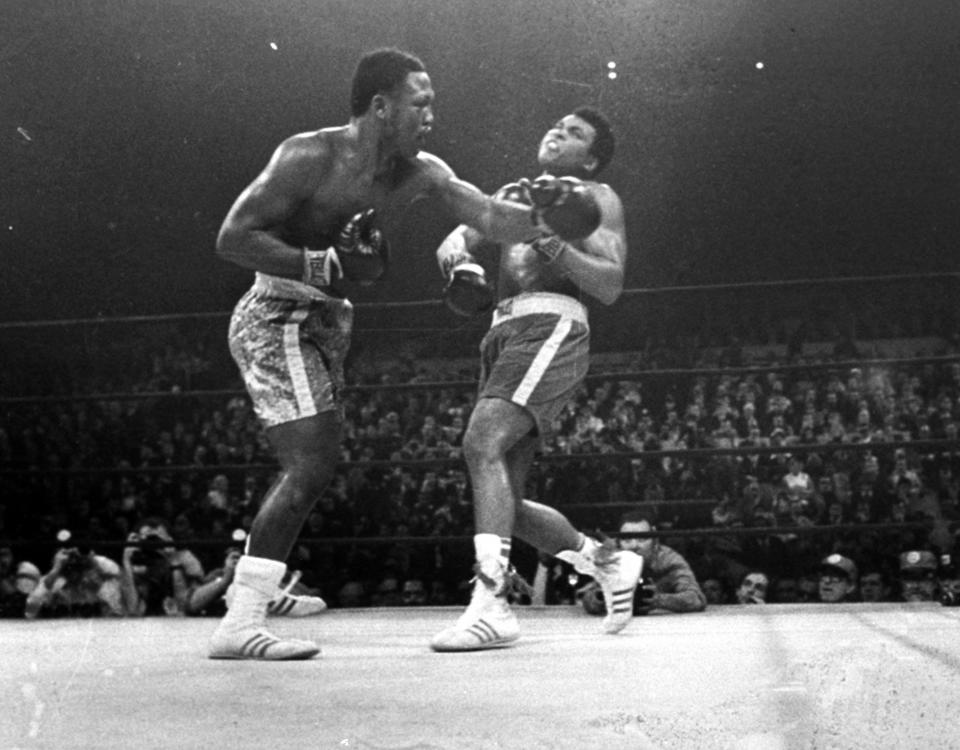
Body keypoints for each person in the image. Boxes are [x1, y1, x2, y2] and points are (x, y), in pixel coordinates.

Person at [210, 47, 584, 660]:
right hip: (276, 313)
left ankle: (260, 582)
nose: (431, 115)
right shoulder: (309, 154)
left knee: (315, 460)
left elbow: (488, 214)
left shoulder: (420, 170)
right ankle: (243, 617)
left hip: (327, 319)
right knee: (309, 464)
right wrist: (323, 262)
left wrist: (550, 218)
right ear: (381, 107)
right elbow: (233, 238)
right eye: (421, 103)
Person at [429, 106, 644, 652]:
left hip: (554, 323)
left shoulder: (598, 198)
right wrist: (463, 265)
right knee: (508, 501)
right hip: (502, 332)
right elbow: (452, 241)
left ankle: (491, 603)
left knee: (481, 443)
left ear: (590, 158)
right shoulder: (513, 192)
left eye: (575, 134)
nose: (557, 132)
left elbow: (611, 285)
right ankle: (609, 563)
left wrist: (553, 241)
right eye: (557, 125)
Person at [579, 512, 706, 619]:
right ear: (618, 542)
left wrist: (660, 600)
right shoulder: (611, 557)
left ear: (654, 540)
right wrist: (603, 598)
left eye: (642, 539)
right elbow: (588, 598)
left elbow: (696, 599)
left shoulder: (669, 560)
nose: (634, 546)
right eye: (627, 539)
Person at [25, 546, 125, 619]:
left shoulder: (100, 566)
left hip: (98, 620)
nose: (74, 560)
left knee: (108, 589)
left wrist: (95, 567)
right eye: (69, 556)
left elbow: (122, 579)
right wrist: (57, 567)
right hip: (61, 625)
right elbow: (36, 599)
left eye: (76, 556)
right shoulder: (59, 576)